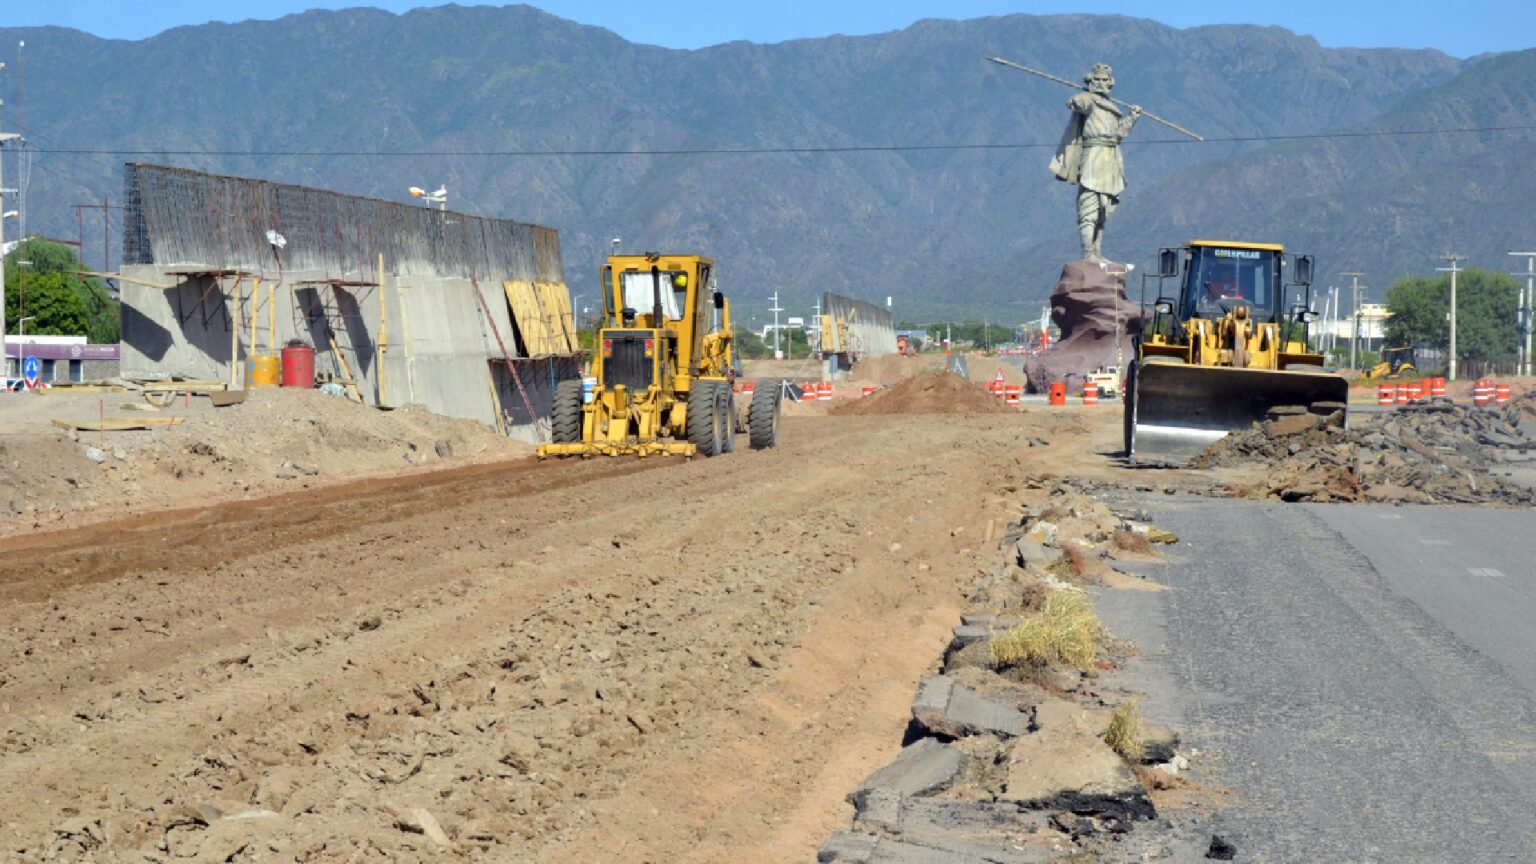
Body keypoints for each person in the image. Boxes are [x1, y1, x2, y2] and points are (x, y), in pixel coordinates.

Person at [1050, 63, 1141, 264]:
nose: (1100, 83)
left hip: (1111, 158)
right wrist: (1080, 98)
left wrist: (1132, 118)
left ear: (1110, 83)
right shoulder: (1089, 100)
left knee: (1104, 208)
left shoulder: (1112, 108)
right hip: (1094, 155)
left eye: (1104, 80)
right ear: (1090, 81)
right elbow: (1077, 103)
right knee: (1089, 205)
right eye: (1096, 79)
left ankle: (1097, 250)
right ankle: (1088, 252)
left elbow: (1119, 134)